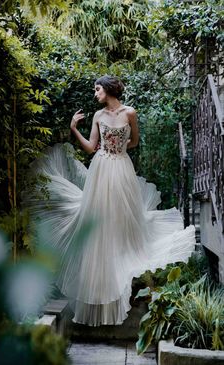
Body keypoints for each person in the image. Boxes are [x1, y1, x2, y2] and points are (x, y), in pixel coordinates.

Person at [29, 75, 195, 326]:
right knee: (100, 220)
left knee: (122, 218)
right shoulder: (97, 116)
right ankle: (100, 278)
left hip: (122, 169)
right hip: (101, 169)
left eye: (97, 89)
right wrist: (74, 128)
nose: (95, 94)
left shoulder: (130, 112)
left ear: (108, 89)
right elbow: (90, 147)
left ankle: (121, 267)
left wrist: (119, 149)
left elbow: (135, 141)